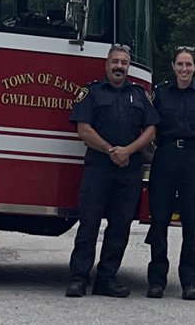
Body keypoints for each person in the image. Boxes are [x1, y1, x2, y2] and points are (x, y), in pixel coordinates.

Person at [65, 44, 159, 298]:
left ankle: (106, 279)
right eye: (115, 61)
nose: (119, 66)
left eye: (124, 63)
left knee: (120, 226)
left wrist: (128, 151)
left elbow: (151, 130)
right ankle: (78, 278)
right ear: (106, 65)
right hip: (98, 168)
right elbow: (83, 129)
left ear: (128, 67)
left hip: (128, 171)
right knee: (89, 224)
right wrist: (111, 150)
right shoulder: (92, 92)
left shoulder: (139, 95)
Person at [144, 46, 195, 301]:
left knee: (191, 223)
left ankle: (189, 282)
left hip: (192, 159)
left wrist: (193, 150)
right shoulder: (160, 93)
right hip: (165, 157)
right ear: (173, 66)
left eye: (188, 65)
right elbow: (150, 127)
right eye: (180, 64)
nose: (184, 69)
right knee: (159, 222)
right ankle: (157, 281)